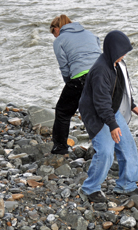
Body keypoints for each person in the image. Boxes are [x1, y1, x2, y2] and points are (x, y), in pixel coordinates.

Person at [78, 30, 138, 203]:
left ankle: (126, 185)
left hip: (110, 109)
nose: (125, 54)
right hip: (95, 112)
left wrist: (132, 105)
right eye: (122, 51)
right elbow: (100, 102)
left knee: (128, 147)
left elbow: (122, 87)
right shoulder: (100, 70)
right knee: (105, 152)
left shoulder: (117, 64)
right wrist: (113, 125)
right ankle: (89, 189)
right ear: (113, 50)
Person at [49, 14, 101, 155]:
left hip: (81, 78)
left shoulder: (59, 40)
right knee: (98, 111)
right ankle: (103, 147)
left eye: (53, 33)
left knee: (63, 111)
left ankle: (60, 147)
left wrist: (70, 84)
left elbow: (64, 67)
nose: (54, 36)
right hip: (101, 75)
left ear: (57, 29)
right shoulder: (91, 34)